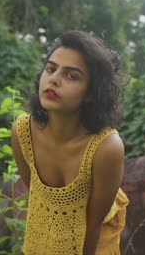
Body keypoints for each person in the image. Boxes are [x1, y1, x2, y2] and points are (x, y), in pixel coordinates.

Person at [11, 30, 129, 255]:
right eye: (51, 68)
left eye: (72, 76)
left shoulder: (106, 148)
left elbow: (93, 226)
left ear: (91, 94)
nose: (54, 79)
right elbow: (37, 199)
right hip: (42, 239)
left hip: (95, 242)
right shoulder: (22, 132)